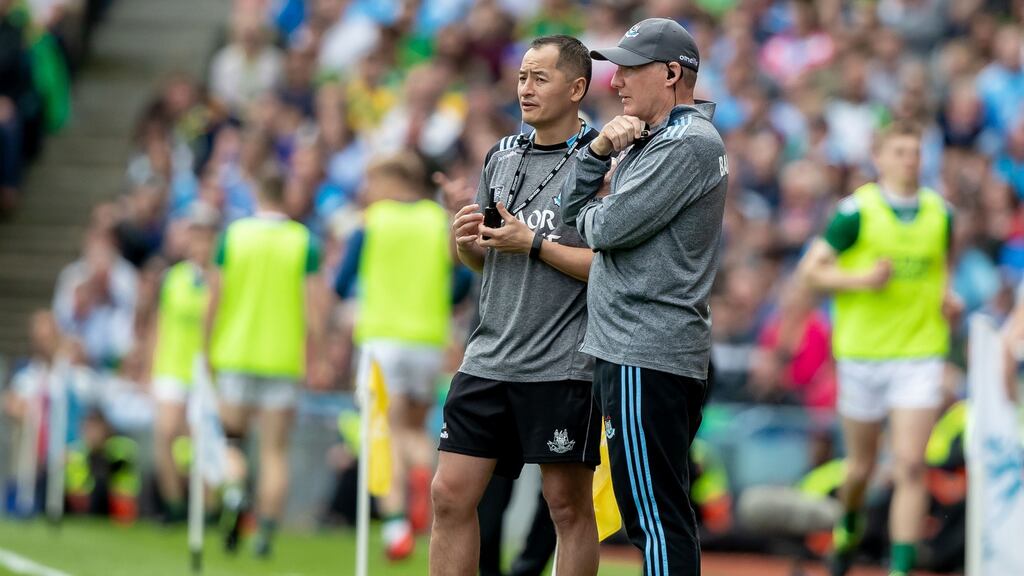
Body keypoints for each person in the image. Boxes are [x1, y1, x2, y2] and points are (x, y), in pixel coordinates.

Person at [561, 18, 729, 575]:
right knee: (654, 513)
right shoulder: (662, 139)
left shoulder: (684, 143)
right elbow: (591, 221)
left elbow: (598, 228)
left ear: (672, 73)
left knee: (654, 518)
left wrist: (594, 161)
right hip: (641, 348)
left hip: (644, 350)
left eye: (631, 68)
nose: (615, 82)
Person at [430, 35, 601, 576]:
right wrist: (466, 244)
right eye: (523, 77)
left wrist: (532, 242)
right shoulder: (500, 156)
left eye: (540, 78)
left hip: (562, 364)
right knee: (449, 496)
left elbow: (608, 267)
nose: (526, 89)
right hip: (487, 356)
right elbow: (490, 263)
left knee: (567, 507)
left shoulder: (603, 161)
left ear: (576, 88)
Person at [794, 121, 959, 576]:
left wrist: (949, 298)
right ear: (880, 158)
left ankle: (899, 567)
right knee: (861, 468)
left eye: (915, 151)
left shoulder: (940, 214)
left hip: (920, 353)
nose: (910, 159)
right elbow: (811, 272)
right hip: (862, 355)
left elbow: (942, 269)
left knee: (909, 465)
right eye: (900, 151)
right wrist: (860, 280)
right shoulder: (856, 213)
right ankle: (848, 527)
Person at [333, 152, 452, 560]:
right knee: (415, 432)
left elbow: (342, 280)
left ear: (393, 179)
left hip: (381, 340)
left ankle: (397, 524)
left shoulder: (373, 220)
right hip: (426, 339)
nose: (368, 191)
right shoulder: (438, 220)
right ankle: (428, 495)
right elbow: (457, 284)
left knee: (382, 433)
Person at [204, 165, 325, 557]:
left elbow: (215, 298)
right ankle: (265, 535)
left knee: (231, 440)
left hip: (236, 352)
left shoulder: (234, 236)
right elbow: (314, 308)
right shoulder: (302, 241)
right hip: (282, 357)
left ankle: (236, 493)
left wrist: (207, 347)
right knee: (275, 451)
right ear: (285, 197)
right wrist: (317, 355)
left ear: (257, 195)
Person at [149, 203, 219, 523]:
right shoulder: (174, 278)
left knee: (201, 438)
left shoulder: (220, 281)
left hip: (205, 369)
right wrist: (150, 363)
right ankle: (174, 505)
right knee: (165, 433)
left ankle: (208, 509)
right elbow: (160, 323)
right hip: (172, 365)